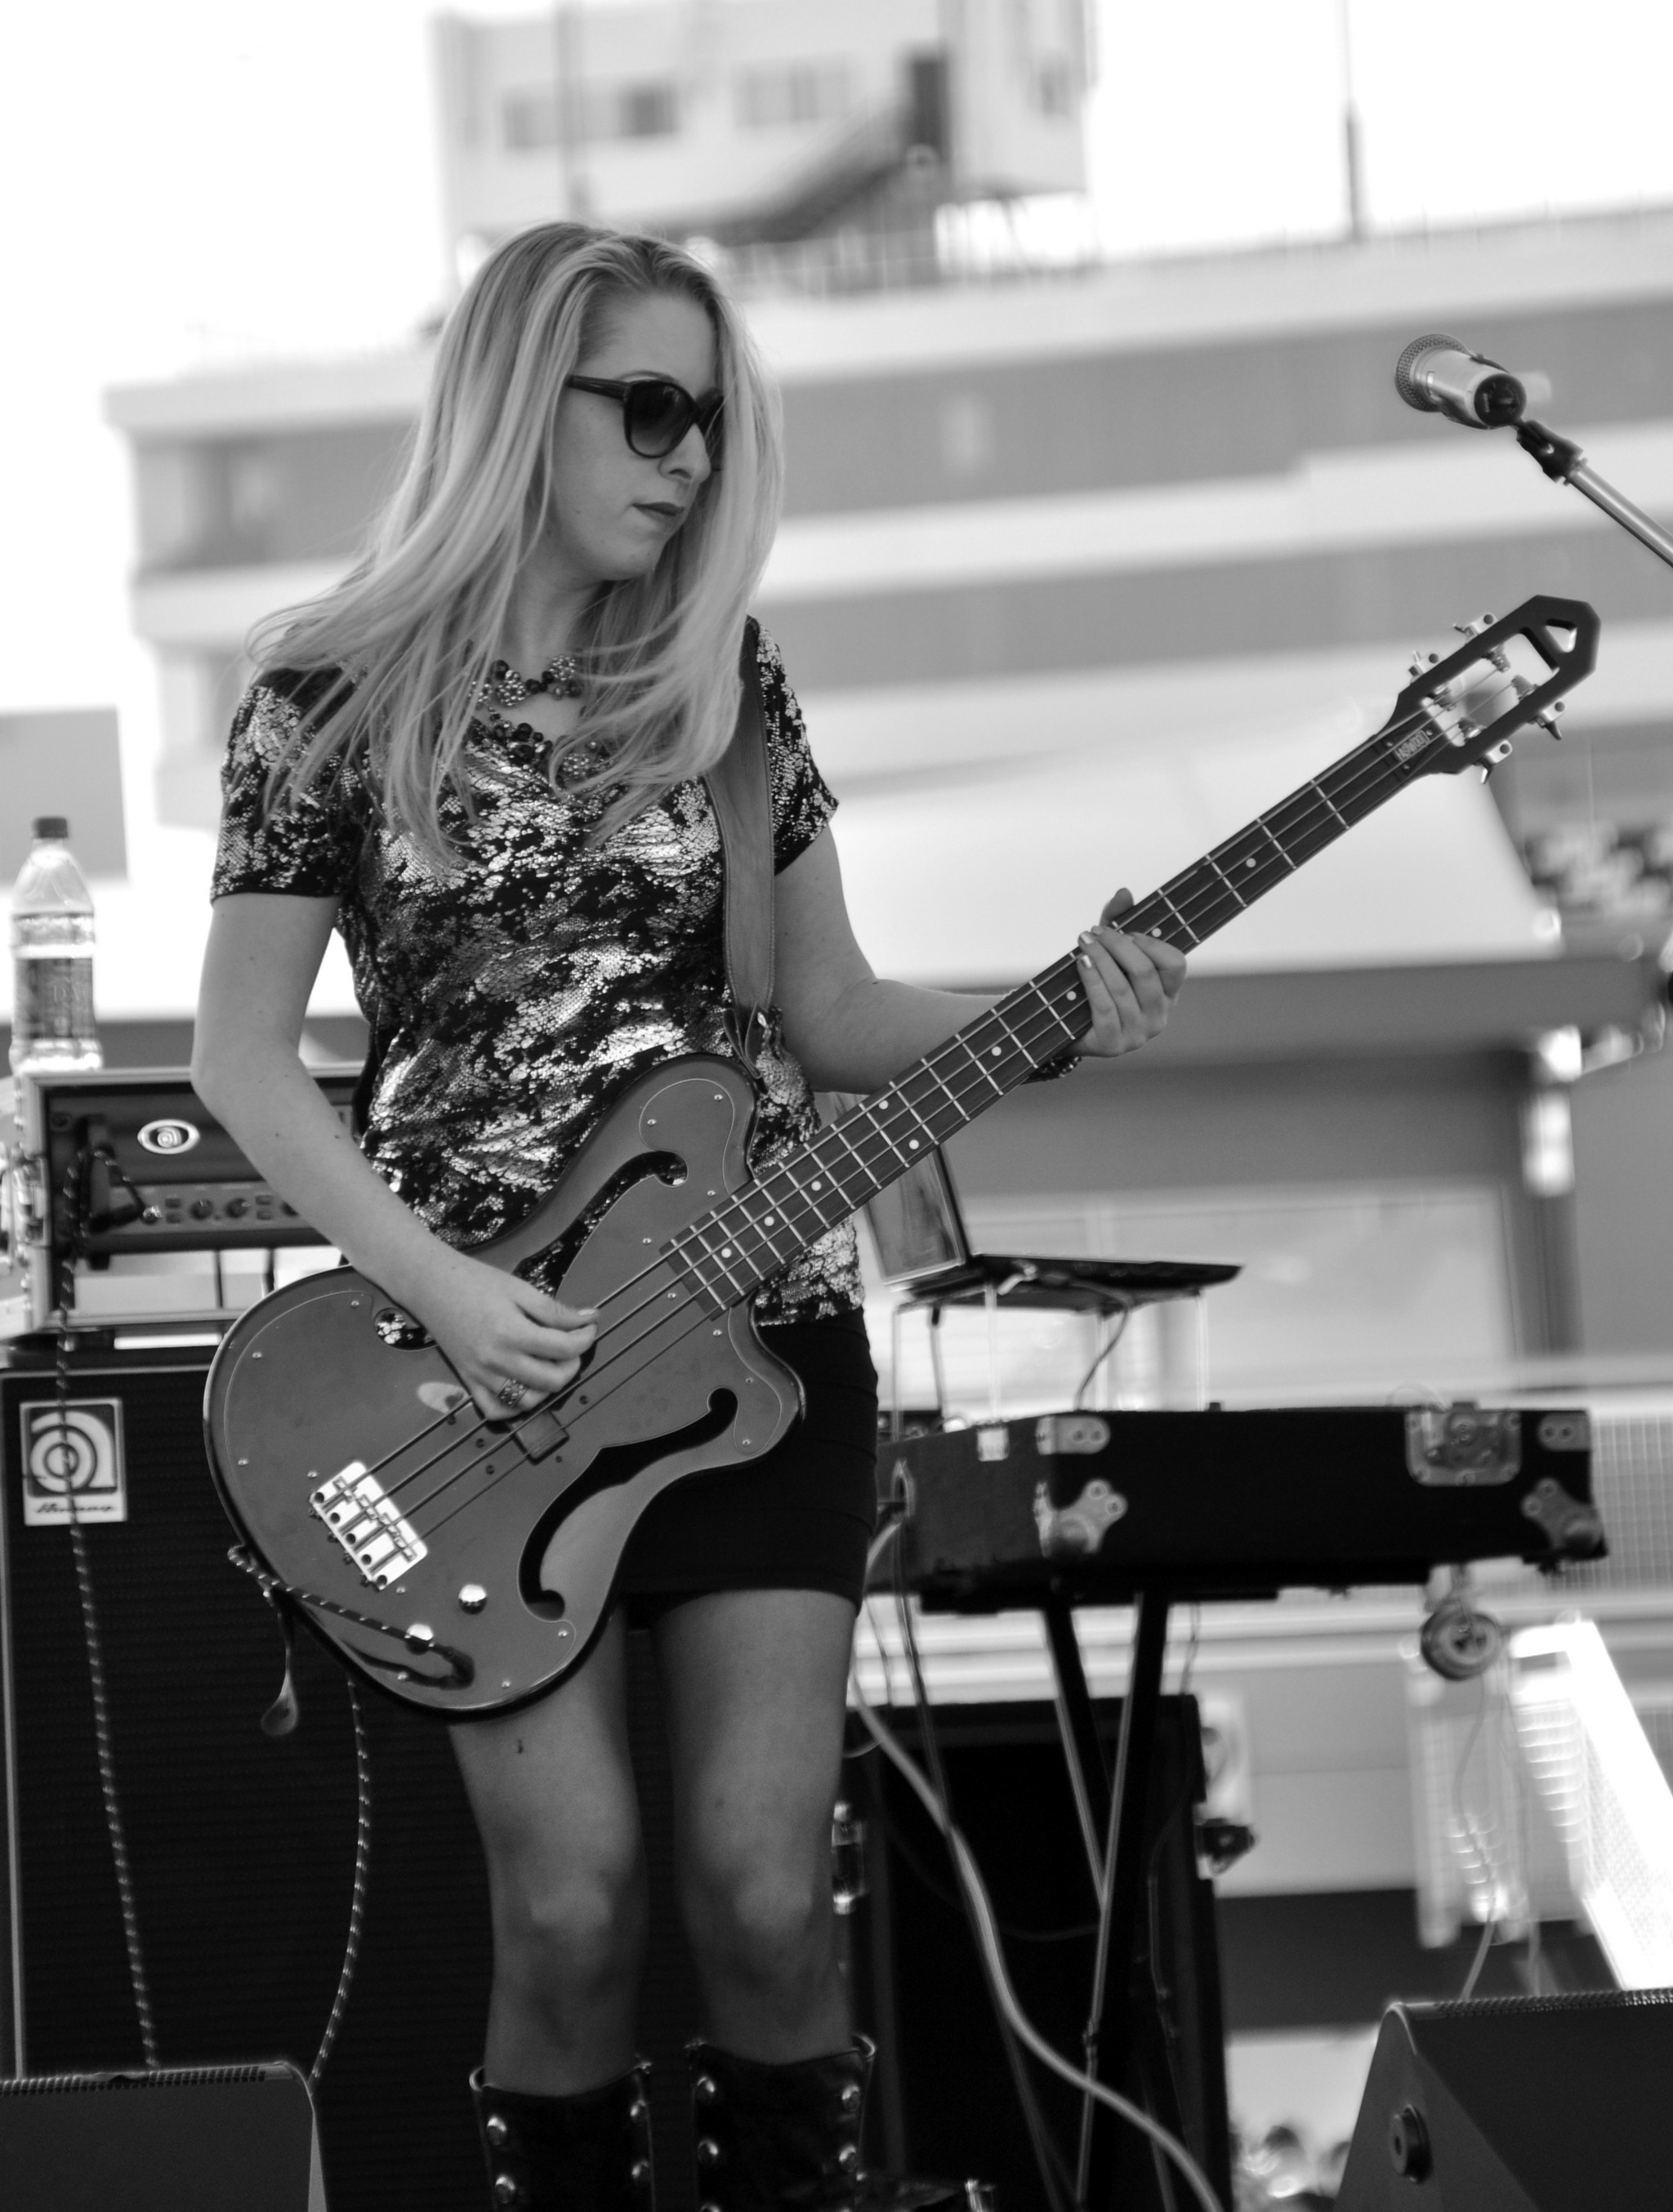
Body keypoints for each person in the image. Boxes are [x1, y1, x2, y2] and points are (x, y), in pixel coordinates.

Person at [192, 222, 1186, 2212]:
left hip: (759, 1359)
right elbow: (241, 1058)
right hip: (473, 1382)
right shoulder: (330, 691)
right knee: (572, 1909)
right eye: (647, 408)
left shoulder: (728, 693)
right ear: (516, 401)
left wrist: (1057, 1015)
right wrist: (445, 1291)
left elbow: (831, 1014)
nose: (688, 458)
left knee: (761, 1893)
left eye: (711, 421)